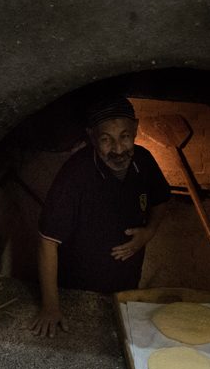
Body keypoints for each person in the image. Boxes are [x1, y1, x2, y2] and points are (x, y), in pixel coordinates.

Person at [30, 97, 172, 337]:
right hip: (79, 288)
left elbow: (161, 200)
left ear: (136, 129)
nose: (118, 149)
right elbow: (47, 242)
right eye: (106, 139)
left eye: (125, 136)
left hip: (126, 282)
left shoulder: (144, 161)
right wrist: (51, 307)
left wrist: (149, 233)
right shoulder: (75, 177)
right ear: (91, 136)